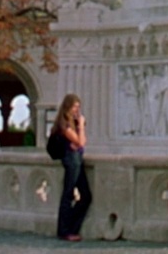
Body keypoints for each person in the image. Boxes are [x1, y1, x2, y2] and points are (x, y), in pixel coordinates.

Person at [52, 93, 92, 242]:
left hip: (77, 159)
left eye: (78, 107)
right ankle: (64, 231)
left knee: (86, 196)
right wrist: (81, 126)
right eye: (75, 106)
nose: (77, 110)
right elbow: (80, 142)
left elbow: (82, 141)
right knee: (68, 194)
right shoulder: (64, 124)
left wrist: (79, 131)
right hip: (71, 160)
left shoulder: (71, 123)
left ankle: (71, 227)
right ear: (68, 106)